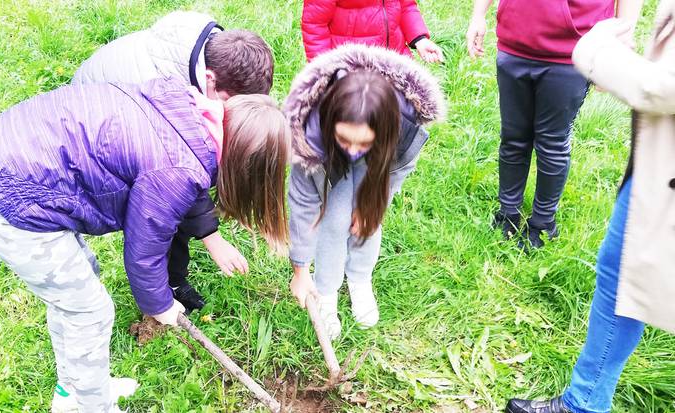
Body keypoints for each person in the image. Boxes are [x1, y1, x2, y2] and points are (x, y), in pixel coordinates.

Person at [0, 78, 290, 412]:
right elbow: (145, 248)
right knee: (89, 311)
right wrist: (160, 305)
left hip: (6, 156)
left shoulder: (186, 114)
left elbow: (182, 192)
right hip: (9, 194)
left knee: (78, 287)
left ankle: (74, 391)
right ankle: (94, 406)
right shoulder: (175, 170)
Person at [506, 4, 675, 412]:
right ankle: (585, 400)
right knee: (621, 275)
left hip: (662, 170)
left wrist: (596, 47)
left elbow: (662, 87)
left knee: (624, 275)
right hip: (658, 167)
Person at [73, 10, 275, 311]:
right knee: (161, 213)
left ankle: (173, 279)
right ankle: (160, 296)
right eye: (231, 103)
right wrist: (212, 237)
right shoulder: (159, 83)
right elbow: (172, 174)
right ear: (210, 80)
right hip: (95, 141)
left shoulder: (207, 56)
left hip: (136, 128)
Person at [285, 44, 445, 340]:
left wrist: (373, 205)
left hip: (382, 157)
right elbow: (302, 203)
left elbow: (396, 171)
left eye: (362, 143)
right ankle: (326, 290)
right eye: (345, 139)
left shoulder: (404, 127)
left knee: (368, 220)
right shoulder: (310, 135)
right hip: (328, 153)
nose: (353, 150)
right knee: (332, 220)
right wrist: (300, 268)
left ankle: (360, 278)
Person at [466, 0, 643, 248]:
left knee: (552, 143)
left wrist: (618, 46)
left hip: (573, 51)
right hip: (514, 42)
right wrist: (478, 16)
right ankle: (508, 213)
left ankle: (542, 223)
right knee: (513, 137)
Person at [301, 0, 444, 63]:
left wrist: (419, 39)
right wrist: (323, 70)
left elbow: (406, 5)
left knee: (401, 118)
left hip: (396, 60)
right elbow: (315, 24)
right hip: (352, 67)